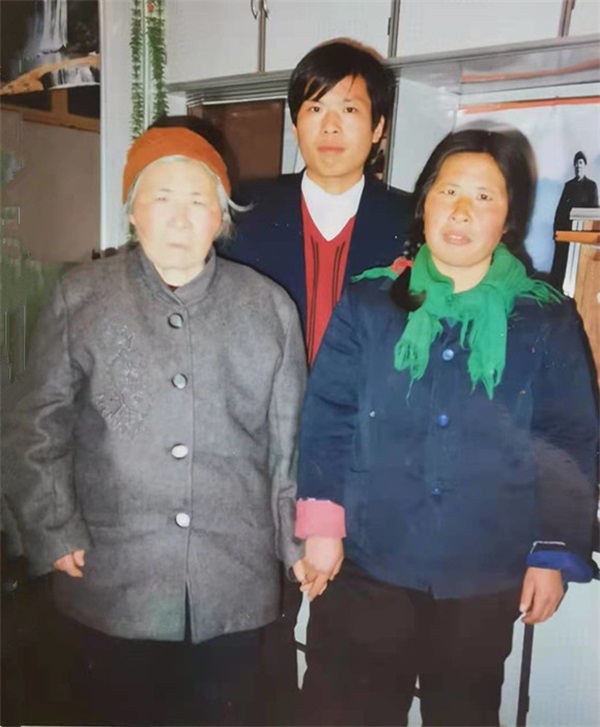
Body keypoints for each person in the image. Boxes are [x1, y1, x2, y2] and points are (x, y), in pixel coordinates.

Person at [3, 123, 307, 726]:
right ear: (132, 212)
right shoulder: (81, 298)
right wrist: (52, 528)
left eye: (198, 200)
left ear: (221, 217)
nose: (179, 217)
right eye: (161, 198)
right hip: (112, 576)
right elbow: (35, 425)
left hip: (233, 581)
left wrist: (296, 545)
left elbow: (288, 446)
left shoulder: (268, 307)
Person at [295, 126, 598, 726]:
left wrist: (552, 553)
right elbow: (328, 415)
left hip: (482, 575)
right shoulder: (370, 303)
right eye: (448, 190)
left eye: (484, 197)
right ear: (425, 203)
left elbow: (567, 439)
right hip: (368, 564)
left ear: (509, 216)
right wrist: (322, 526)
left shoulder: (545, 318)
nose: (461, 210)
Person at [226, 39, 414, 365]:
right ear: (295, 126)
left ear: (377, 128)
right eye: (315, 109)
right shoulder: (244, 211)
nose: (330, 127)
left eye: (349, 109)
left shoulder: (412, 221)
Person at [551, 150, 598, 287]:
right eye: (576, 163)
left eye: (581, 163)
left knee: (579, 264)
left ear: (585, 165)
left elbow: (594, 210)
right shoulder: (569, 186)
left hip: (582, 232)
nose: (578, 166)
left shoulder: (591, 186)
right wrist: (556, 230)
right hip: (567, 230)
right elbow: (561, 210)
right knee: (562, 262)